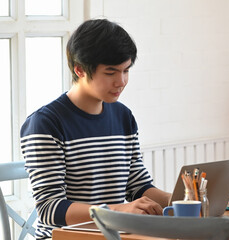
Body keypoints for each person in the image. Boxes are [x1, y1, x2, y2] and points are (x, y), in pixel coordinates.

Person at [20, 19, 171, 239]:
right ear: (79, 69)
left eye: (126, 70)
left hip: (113, 235)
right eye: (110, 73)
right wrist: (118, 210)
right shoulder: (45, 123)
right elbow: (50, 209)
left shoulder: (123, 116)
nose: (121, 81)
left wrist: (181, 200)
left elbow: (137, 184)